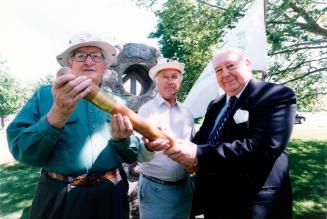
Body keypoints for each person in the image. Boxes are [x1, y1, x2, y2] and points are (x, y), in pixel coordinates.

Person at [6, 32, 142, 219]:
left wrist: (122, 141)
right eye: (80, 55)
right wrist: (56, 116)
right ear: (70, 63)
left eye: (96, 56)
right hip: (61, 198)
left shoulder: (117, 102)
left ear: (104, 66)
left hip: (112, 194)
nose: (88, 61)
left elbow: (131, 154)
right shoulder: (45, 95)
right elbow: (22, 150)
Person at [148, 48, 296, 219]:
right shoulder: (216, 104)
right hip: (217, 203)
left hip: (254, 205)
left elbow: (264, 147)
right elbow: (201, 140)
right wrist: (169, 144)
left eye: (230, 66)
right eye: (218, 70)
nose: (225, 74)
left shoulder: (275, 95)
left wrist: (197, 154)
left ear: (248, 65)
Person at [136, 58, 195, 219]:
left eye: (174, 76)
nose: (170, 81)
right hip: (155, 190)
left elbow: (193, 146)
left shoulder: (187, 113)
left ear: (180, 81)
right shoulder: (145, 111)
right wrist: (149, 147)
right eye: (165, 77)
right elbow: (138, 152)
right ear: (156, 82)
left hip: (184, 189)